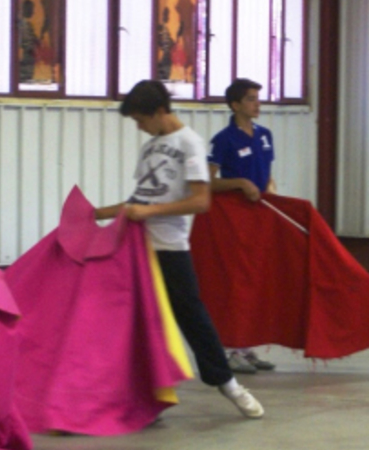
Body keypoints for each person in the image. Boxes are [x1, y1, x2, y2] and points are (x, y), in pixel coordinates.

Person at [94, 80, 264, 419]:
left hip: (170, 247)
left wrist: (150, 212)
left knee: (192, 318)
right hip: (137, 248)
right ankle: (145, 396)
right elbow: (140, 200)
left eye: (141, 120)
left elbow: (200, 201)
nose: (139, 128)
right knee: (138, 322)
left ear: (160, 111)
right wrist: (97, 213)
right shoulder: (150, 148)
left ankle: (229, 384)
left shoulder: (190, 143)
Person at [207, 78, 277, 374]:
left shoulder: (265, 135)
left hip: (259, 216)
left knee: (256, 280)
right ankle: (230, 349)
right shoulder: (223, 140)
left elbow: (268, 175)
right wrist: (240, 183)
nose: (257, 103)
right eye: (250, 99)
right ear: (235, 105)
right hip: (233, 219)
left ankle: (247, 347)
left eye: (258, 98)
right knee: (236, 281)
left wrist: (271, 193)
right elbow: (208, 182)